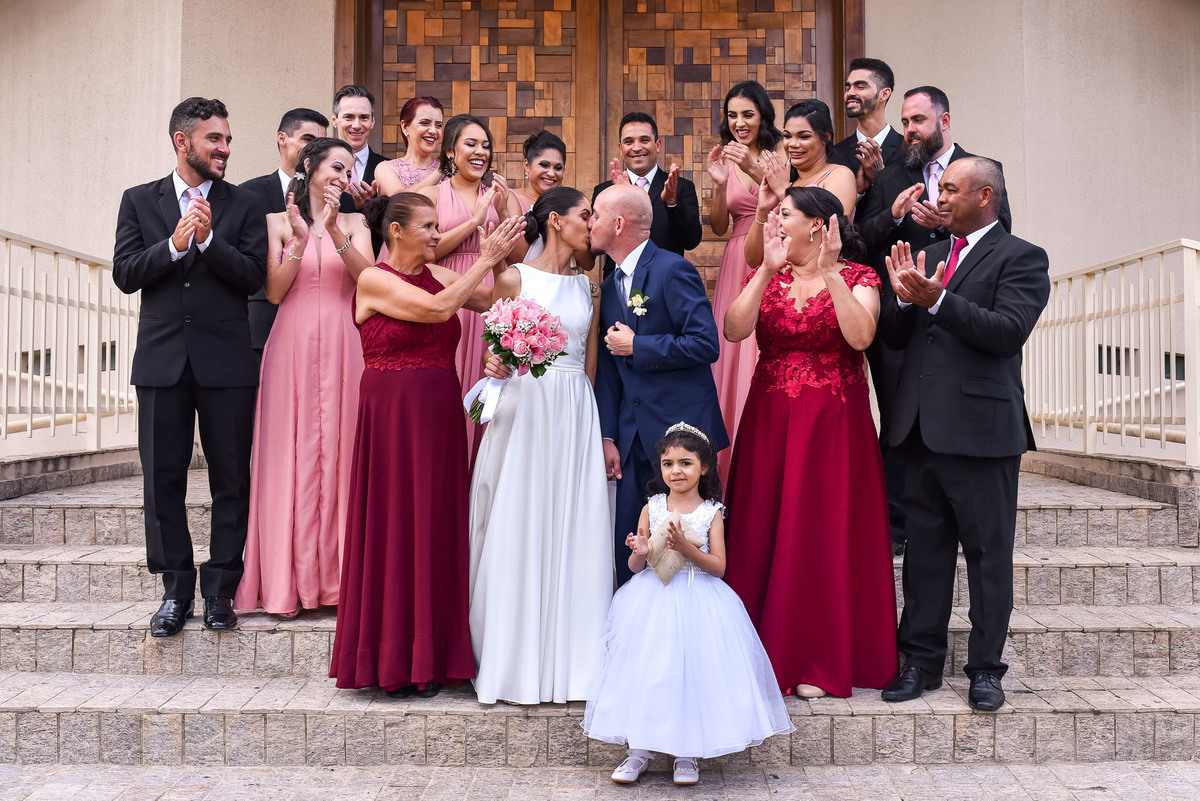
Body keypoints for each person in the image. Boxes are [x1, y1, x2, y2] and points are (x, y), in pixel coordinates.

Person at [329, 193, 524, 698]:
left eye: (438, 226)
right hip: (392, 415)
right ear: (396, 231)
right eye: (429, 227)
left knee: (436, 521)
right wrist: (481, 258)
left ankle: (436, 655)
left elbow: (493, 300)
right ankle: (394, 656)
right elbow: (440, 312)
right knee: (396, 520)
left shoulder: (438, 274)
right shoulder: (374, 278)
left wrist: (500, 256)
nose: (439, 236)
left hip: (439, 411)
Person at [879, 157, 1049, 712]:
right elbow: (900, 339)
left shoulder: (1022, 257)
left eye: (950, 188)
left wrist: (939, 300)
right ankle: (920, 663)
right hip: (921, 429)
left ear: (985, 197)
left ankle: (984, 669)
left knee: (986, 554)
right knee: (925, 555)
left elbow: (1006, 333)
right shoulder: (929, 256)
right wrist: (903, 299)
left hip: (981, 432)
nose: (940, 197)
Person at [722, 186, 898, 698]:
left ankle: (817, 657)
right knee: (765, 525)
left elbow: (861, 336)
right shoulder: (769, 277)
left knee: (821, 532)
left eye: (785, 214)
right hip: (771, 420)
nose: (775, 221)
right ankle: (758, 649)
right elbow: (734, 330)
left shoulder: (859, 278)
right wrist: (762, 271)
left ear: (817, 226)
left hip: (831, 428)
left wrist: (832, 273)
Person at [112, 97, 268, 637]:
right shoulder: (138, 201)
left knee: (232, 478)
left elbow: (253, 277)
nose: (225, 148)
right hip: (161, 363)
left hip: (226, 362)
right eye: (214, 139)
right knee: (162, 481)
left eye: (227, 138)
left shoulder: (244, 204)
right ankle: (175, 590)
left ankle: (221, 590)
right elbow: (126, 273)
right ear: (183, 142)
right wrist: (174, 246)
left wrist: (207, 240)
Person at [582, 424, 793, 787]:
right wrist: (642, 551)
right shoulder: (652, 507)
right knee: (649, 673)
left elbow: (720, 568)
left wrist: (686, 548)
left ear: (704, 467)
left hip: (700, 600)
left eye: (685, 463)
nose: (675, 471)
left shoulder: (711, 512)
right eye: (667, 463)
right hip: (652, 601)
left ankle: (686, 754)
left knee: (692, 675)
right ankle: (639, 749)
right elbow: (636, 567)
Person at [468, 187, 614, 705]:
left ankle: (574, 664)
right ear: (555, 221)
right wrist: (494, 364)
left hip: (573, 407)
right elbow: (495, 351)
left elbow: (589, 359)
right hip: (525, 407)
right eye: (584, 215)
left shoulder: (587, 286)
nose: (592, 223)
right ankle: (515, 660)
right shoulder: (514, 277)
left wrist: (594, 426)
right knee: (521, 517)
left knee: (574, 524)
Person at [856, 85, 1014, 555]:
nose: (909, 131)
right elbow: (863, 238)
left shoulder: (985, 170)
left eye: (918, 121)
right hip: (902, 317)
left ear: (944, 122)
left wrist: (944, 225)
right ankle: (898, 523)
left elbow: (999, 234)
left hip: (960, 328)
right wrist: (895, 214)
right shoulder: (891, 176)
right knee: (900, 421)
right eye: (904, 122)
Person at [234, 138, 374, 617]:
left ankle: (340, 579)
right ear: (310, 166)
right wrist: (298, 238)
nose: (344, 175)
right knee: (288, 455)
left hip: (345, 341)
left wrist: (335, 231)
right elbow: (273, 292)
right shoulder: (276, 221)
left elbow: (371, 280)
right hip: (290, 343)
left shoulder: (356, 222)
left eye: (350, 169)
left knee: (344, 452)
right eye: (337, 165)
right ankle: (287, 579)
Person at [591, 185, 727, 587]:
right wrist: (608, 434)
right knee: (634, 544)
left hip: (681, 435)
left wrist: (639, 344)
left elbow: (706, 343)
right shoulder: (613, 279)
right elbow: (611, 369)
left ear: (618, 224)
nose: (590, 224)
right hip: (633, 435)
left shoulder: (672, 269)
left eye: (596, 215)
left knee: (686, 546)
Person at [419, 114, 509, 454]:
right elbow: (424, 253)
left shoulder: (500, 194)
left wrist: (500, 214)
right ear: (450, 153)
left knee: (487, 385)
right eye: (470, 144)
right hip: (447, 291)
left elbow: (516, 256)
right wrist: (474, 221)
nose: (480, 152)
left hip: (492, 296)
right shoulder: (431, 195)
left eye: (485, 146)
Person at [706, 81, 783, 481]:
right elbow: (719, 226)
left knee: (764, 350)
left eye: (747, 114)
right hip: (736, 258)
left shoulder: (780, 153)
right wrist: (720, 185)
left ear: (763, 116)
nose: (739, 123)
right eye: (732, 115)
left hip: (773, 254)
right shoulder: (726, 159)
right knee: (733, 353)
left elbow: (791, 202)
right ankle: (729, 467)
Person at [240, 108, 330, 359]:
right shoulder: (248, 194)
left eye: (321, 144)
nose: (314, 150)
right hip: (264, 319)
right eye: (307, 140)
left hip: (320, 323)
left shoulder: (337, 200)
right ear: (282, 138)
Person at [742, 100, 856, 270]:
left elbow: (830, 233)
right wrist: (762, 209)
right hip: (780, 283)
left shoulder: (840, 175)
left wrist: (783, 192)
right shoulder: (788, 180)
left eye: (804, 136)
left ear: (827, 137)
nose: (793, 144)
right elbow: (752, 259)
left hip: (820, 280)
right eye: (787, 136)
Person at [591, 112, 703, 264]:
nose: (636, 148)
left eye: (644, 140)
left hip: (665, 282)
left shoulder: (681, 187)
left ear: (657, 145)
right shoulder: (604, 191)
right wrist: (620, 200)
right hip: (618, 283)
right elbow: (595, 245)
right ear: (620, 147)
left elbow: (691, 241)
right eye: (629, 142)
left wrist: (672, 203)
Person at [830, 58, 902, 204]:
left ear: (884, 94)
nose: (850, 93)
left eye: (860, 87)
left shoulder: (908, 150)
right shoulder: (835, 154)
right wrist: (857, 193)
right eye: (847, 88)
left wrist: (880, 176)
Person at [332, 84, 387, 256]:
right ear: (335, 120)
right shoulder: (317, 168)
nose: (356, 125)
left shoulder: (388, 167)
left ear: (373, 121)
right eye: (348, 117)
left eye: (364, 118)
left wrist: (370, 208)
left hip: (376, 260)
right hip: (327, 257)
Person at [374, 96, 445, 194]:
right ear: (405, 127)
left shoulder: (450, 173)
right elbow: (399, 201)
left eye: (438, 125)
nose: (433, 131)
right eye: (425, 123)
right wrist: (440, 171)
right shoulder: (387, 168)